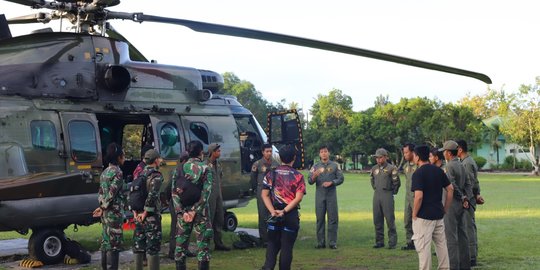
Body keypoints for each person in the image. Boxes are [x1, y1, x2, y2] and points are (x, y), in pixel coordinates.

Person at [261, 144, 306, 270]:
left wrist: (273, 211)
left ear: (280, 157)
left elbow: (264, 195)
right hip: (290, 214)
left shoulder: (271, 174)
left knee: (272, 245)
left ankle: (268, 267)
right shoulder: (298, 176)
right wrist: (284, 211)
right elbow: (298, 198)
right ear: (294, 158)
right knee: (287, 247)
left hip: (274, 213)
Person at [411, 145, 454, 270]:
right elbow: (450, 189)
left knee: (424, 248)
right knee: (441, 246)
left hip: (424, 217)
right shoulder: (438, 170)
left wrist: (414, 214)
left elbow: (418, 197)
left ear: (418, 157)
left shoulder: (418, 173)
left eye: (414, 155)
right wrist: (445, 208)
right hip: (438, 215)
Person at [172, 140, 213, 270]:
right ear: (201, 152)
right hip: (201, 213)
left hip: (183, 214)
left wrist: (182, 212)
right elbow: (206, 193)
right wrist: (195, 210)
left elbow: (174, 193)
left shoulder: (178, 169)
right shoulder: (205, 168)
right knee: (203, 249)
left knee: (180, 249)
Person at [93, 142, 127, 270]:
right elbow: (112, 193)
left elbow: (101, 193)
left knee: (106, 240)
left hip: (105, 213)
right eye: (123, 155)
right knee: (114, 243)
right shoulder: (118, 173)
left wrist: (101, 206)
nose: (124, 158)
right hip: (114, 213)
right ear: (118, 157)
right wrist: (103, 207)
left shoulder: (104, 172)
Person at [440, 140, 471, 270]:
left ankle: (453, 266)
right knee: (463, 235)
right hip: (461, 205)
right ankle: (465, 265)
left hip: (451, 203)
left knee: (450, 237)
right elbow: (468, 184)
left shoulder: (448, 167)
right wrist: (466, 199)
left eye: (444, 152)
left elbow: (451, 185)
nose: (443, 154)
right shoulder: (461, 165)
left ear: (448, 153)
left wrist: (462, 196)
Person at [132, 149, 164, 270]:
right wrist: (145, 212)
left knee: (138, 246)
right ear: (156, 160)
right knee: (153, 248)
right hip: (150, 216)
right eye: (159, 159)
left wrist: (136, 213)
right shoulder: (156, 176)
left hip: (138, 216)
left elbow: (133, 194)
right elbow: (152, 195)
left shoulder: (139, 174)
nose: (161, 161)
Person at [308, 145, 344, 249]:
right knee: (320, 219)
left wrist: (332, 182)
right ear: (319, 154)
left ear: (328, 153)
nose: (324, 153)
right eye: (322, 152)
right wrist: (314, 175)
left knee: (333, 218)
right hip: (320, 195)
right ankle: (321, 242)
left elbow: (341, 178)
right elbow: (310, 181)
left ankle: (332, 242)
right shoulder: (315, 166)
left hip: (331, 195)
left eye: (325, 151)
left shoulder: (335, 165)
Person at [457, 140, 485, 267]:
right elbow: (476, 182)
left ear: (460, 149)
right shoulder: (466, 161)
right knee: (467, 227)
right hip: (470, 199)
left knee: (468, 228)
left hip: (468, 200)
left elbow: (469, 184)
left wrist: (467, 199)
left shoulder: (467, 163)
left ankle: (472, 257)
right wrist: (477, 194)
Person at [370, 148, 401, 249]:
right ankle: (379, 242)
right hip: (377, 194)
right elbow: (372, 180)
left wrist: (392, 192)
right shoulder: (374, 168)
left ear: (385, 157)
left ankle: (392, 243)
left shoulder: (392, 168)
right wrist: (376, 188)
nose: (378, 160)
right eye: (377, 158)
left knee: (389, 219)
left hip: (387, 194)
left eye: (380, 157)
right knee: (377, 219)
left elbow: (396, 183)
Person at [250, 143, 280, 246]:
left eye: (270, 151)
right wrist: (256, 189)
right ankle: (264, 239)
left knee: (273, 214)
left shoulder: (276, 164)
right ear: (263, 152)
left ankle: (274, 238)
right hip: (261, 191)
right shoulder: (257, 164)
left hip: (273, 192)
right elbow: (253, 179)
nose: (269, 153)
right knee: (263, 214)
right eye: (267, 151)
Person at [207, 143, 231, 251]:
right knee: (209, 219)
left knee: (219, 218)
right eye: (218, 151)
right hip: (209, 195)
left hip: (218, 195)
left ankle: (218, 243)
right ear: (212, 152)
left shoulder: (219, 164)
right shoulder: (205, 165)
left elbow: (219, 178)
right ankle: (205, 244)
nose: (219, 153)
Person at [401, 143, 417, 250]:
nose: (404, 155)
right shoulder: (405, 166)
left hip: (417, 197)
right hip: (407, 197)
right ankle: (409, 242)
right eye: (404, 152)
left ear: (412, 152)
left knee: (417, 221)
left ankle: (418, 243)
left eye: (406, 152)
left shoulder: (419, 166)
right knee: (407, 220)